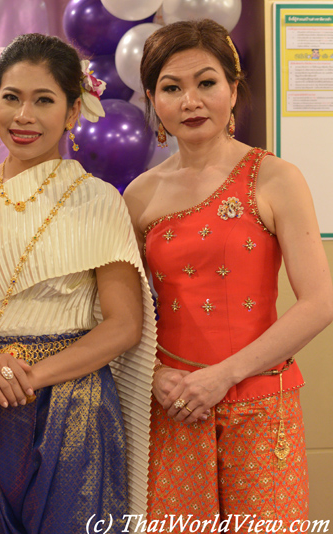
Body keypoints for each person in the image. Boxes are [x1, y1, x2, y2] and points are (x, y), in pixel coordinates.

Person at [0, 33, 157, 533]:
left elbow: (123, 326)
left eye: (43, 100)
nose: (23, 116)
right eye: (11, 98)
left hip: (73, 402)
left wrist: (26, 379)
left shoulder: (99, 199)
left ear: (73, 111)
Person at [124, 19, 333, 525]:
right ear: (153, 99)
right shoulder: (140, 194)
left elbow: (320, 302)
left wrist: (223, 377)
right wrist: (154, 378)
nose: (191, 100)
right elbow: (125, 312)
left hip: (262, 402)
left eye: (206, 82)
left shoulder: (276, 177)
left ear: (233, 90)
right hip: (174, 406)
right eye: (172, 88)